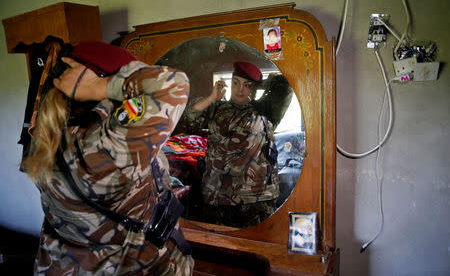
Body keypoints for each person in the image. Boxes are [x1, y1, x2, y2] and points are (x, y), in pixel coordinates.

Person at [22, 41, 194, 275]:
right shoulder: (102, 146)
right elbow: (174, 84)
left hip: (66, 264)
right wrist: (100, 86)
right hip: (129, 265)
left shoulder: (45, 136)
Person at [181, 61, 280, 228]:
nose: (240, 89)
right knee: (219, 249)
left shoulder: (265, 110)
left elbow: (284, 85)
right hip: (216, 195)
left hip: (255, 198)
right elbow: (187, 117)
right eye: (236, 83)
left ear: (255, 88)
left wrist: (260, 83)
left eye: (247, 85)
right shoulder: (215, 108)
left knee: (255, 249)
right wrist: (212, 97)